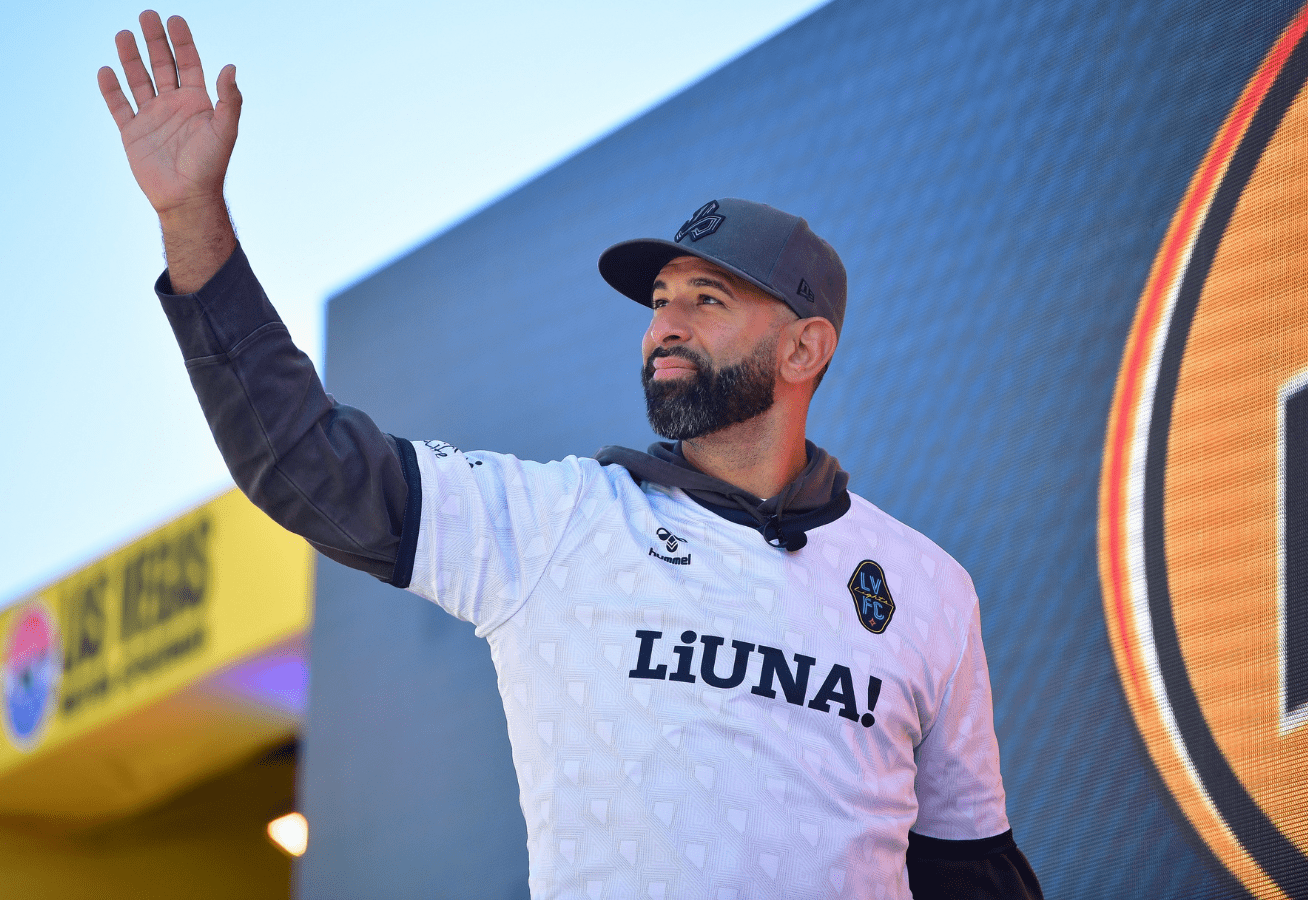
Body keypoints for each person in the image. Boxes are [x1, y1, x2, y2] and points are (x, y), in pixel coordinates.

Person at [99, 11, 1043, 899]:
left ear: (804, 349)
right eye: (659, 299)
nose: (662, 326)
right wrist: (193, 221)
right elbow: (305, 462)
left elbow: (975, 874)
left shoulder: (928, 588)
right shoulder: (560, 522)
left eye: (707, 301)